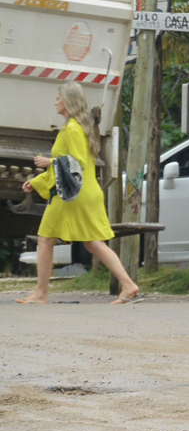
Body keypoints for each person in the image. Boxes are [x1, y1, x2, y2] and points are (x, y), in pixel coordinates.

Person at [16, 83, 139, 305]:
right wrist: (37, 181)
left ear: (68, 102)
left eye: (58, 98)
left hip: (73, 196)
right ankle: (128, 285)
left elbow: (76, 164)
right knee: (92, 243)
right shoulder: (78, 127)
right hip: (84, 192)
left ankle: (41, 294)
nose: (55, 102)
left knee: (46, 239)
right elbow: (72, 167)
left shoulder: (72, 129)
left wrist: (49, 161)